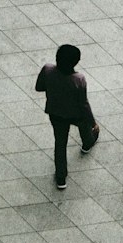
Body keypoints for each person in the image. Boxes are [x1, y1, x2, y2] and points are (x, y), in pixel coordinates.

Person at [34, 44, 99, 190]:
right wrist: (93, 122)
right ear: (75, 62)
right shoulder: (79, 79)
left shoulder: (47, 70)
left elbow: (39, 87)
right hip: (75, 114)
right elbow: (83, 104)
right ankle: (87, 144)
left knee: (60, 143)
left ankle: (61, 177)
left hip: (55, 113)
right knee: (85, 127)